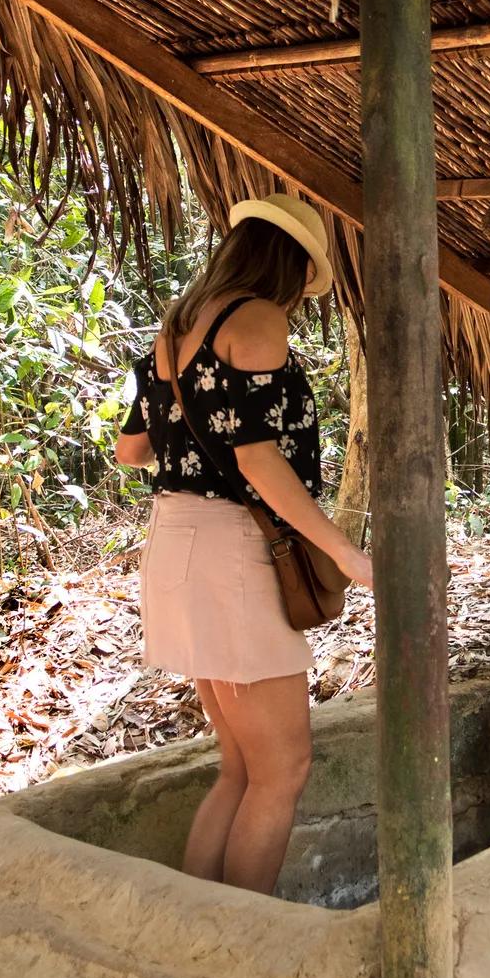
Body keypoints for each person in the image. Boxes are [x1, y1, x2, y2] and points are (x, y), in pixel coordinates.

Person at [115, 193, 374, 895]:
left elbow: (131, 450)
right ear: (292, 265)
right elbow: (258, 461)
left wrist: (191, 430)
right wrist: (345, 552)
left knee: (240, 769)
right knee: (282, 770)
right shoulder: (258, 318)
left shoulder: (177, 325)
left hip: (175, 540)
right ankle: (240, 932)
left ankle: (199, 926)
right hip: (230, 548)